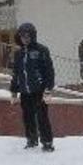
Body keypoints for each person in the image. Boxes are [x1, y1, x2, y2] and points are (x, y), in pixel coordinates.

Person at [10, 22, 56, 152]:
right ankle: (31, 139)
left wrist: (48, 89)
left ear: (32, 36)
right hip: (25, 92)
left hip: (39, 91)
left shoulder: (41, 50)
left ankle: (47, 142)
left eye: (27, 36)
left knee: (42, 117)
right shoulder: (18, 54)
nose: (25, 38)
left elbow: (49, 71)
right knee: (27, 117)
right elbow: (16, 74)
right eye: (22, 36)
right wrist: (14, 91)